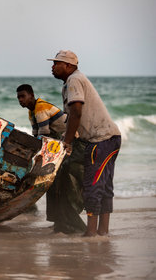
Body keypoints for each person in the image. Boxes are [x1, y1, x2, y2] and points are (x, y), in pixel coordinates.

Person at [48, 50, 121, 236]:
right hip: (110, 138)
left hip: (101, 140)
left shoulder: (74, 80)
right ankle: (102, 231)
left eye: (57, 63)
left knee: (92, 186)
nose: (52, 67)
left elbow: (76, 113)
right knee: (104, 187)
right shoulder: (73, 80)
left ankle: (91, 233)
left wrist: (67, 143)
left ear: (69, 66)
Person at [16, 84, 84, 231]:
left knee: (58, 183)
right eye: (18, 98)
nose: (20, 100)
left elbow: (44, 135)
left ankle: (64, 221)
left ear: (32, 96)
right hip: (59, 144)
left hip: (72, 143)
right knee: (53, 183)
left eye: (23, 96)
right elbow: (37, 136)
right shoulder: (32, 111)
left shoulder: (40, 108)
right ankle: (58, 221)